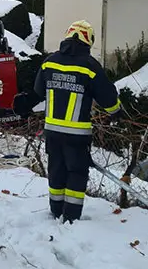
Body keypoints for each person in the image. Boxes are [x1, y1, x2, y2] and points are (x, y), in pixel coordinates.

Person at [34, 20, 123, 223]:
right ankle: (71, 218)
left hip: (52, 132)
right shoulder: (90, 66)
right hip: (77, 135)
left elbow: (38, 90)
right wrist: (116, 112)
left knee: (56, 170)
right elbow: (108, 97)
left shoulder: (49, 62)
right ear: (88, 40)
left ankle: (56, 210)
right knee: (76, 172)